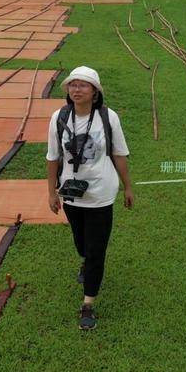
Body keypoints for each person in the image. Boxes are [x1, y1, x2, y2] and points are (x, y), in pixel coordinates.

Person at [46, 66, 133, 330]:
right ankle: (85, 260)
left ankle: (87, 305)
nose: (77, 89)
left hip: (101, 194)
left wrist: (128, 187)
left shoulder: (108, 117)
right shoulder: (59, 117)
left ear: (95, 92)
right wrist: (51, 191)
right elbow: (53, 157)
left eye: (83, 85)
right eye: (73, 85)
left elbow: (119, 154)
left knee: (97, 250)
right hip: (71, 194)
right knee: (81, 242)